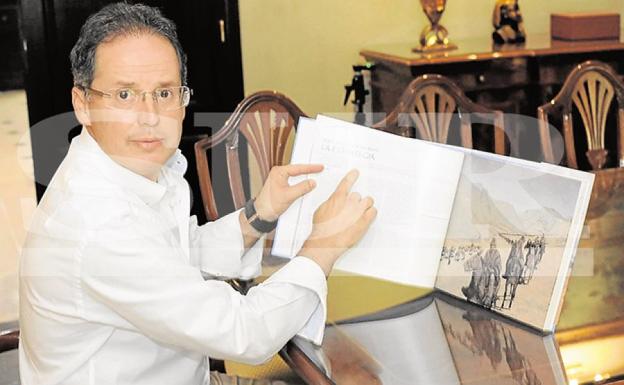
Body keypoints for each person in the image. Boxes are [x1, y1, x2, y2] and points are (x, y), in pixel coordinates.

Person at [18, 3, 377, 385]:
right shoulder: (96, 221)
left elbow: (176, 255)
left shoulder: (130, 169)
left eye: (165, 93)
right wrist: (323, 246)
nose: (150, 115)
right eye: (124, 95)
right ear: (83, 104)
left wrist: (258, 214)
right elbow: (246, 333)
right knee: (358, 378)